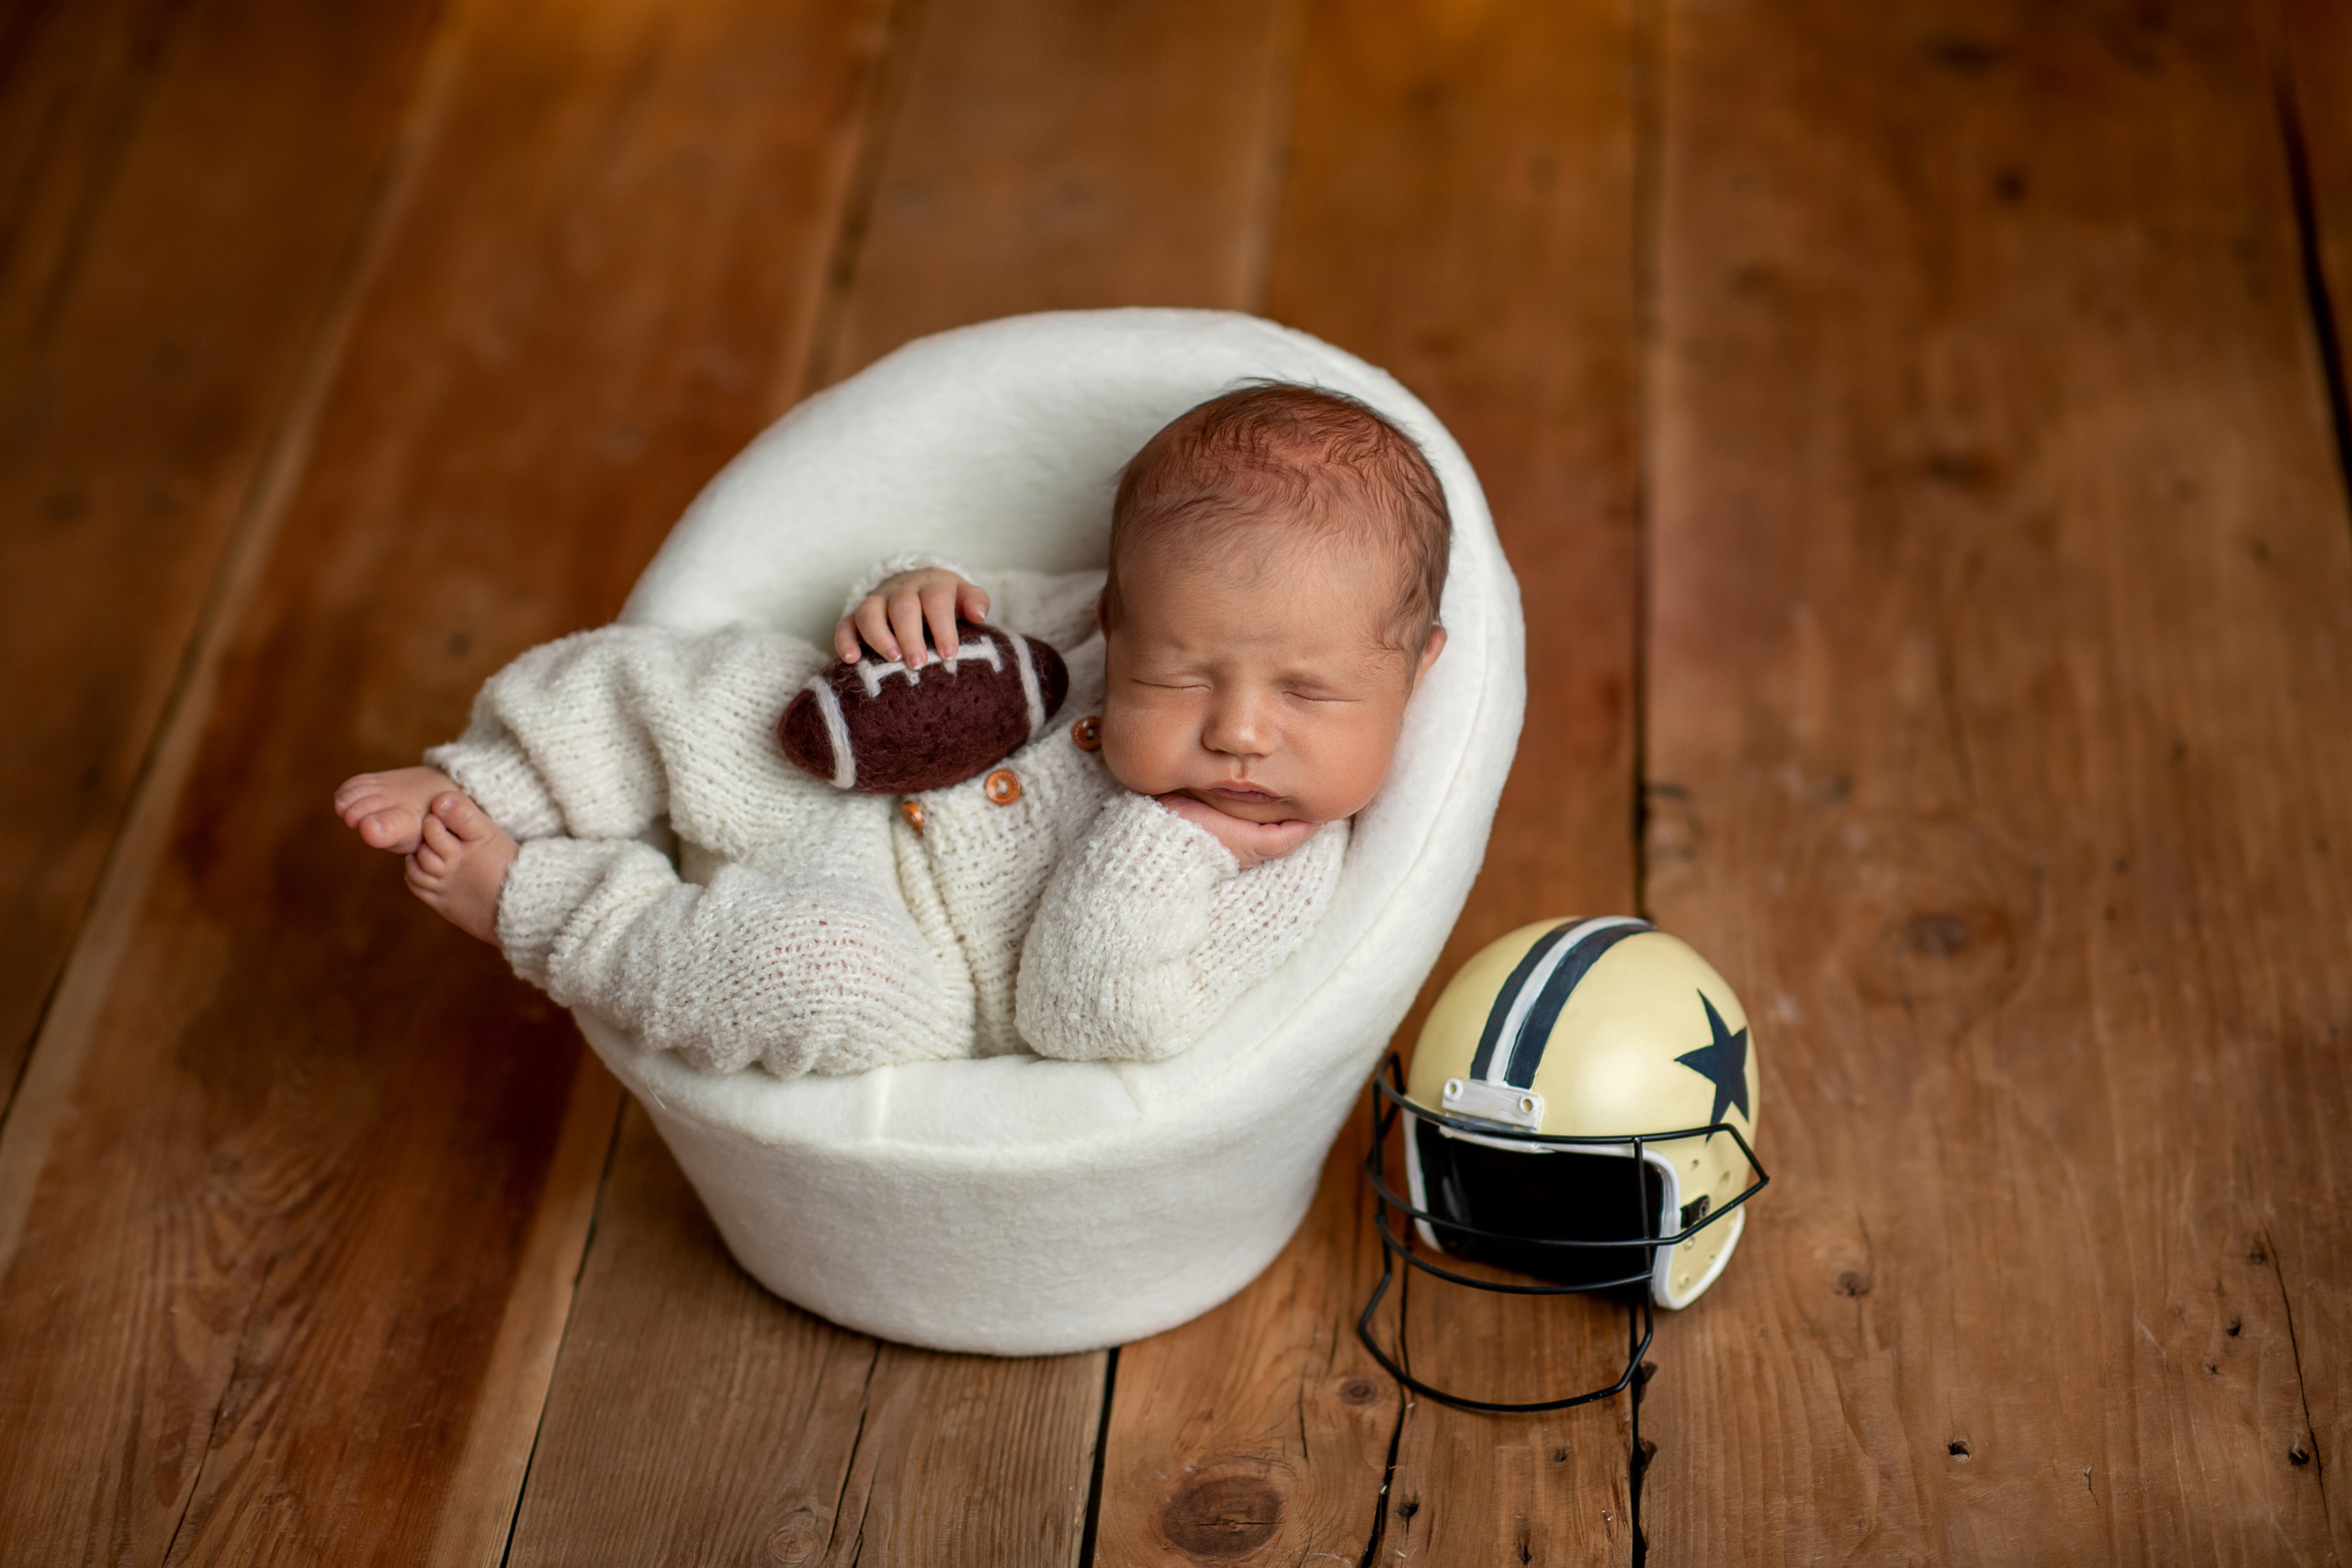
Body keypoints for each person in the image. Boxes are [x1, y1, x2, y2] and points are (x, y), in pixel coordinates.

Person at [333, 383, 1449, 1075]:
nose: (1240, 732)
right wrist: (910, 596)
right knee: (723, 682)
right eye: (1179, 675)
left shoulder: (1285, 874)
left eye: (1307, 695)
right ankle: (499, 777)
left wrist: (1167, 841)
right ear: (1117, 621)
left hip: (925, 967)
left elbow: (1086, 1017)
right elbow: (970, 627)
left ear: (1416, 670)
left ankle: (537, 903)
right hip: (838, 784)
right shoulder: (1102, 622)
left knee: (823, 974)